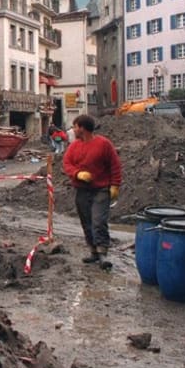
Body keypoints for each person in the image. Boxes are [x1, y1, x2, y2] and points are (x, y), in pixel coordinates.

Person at [62, 114, 123, 269]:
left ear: (82, 128)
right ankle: (93, 251)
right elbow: (67, 163)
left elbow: (115, 165)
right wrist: (77, 174)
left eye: (75, 126)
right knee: (86, 221)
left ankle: (103, 252)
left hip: (101, 189)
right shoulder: (74, 146)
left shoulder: (104, 144)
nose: (73, 130)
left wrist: (115, 185)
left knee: (98, 221)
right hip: (82, 190)